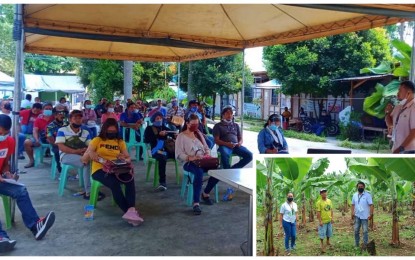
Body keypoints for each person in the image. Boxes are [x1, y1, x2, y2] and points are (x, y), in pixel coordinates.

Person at [0, 114, 55, 253]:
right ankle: (1, 238)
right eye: (1, 133)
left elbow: (5, 163)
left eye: (6, 133)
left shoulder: (10, 141)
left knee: (21, 191)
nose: (3, 135)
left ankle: (35, 226)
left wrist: (7, 174)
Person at [83, 118, 144, 226]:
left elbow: (128, 158)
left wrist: (123, 158)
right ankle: (129, 212)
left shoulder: (120, 142)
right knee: (114, 183)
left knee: (129, 179)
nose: (111, 134)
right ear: (104, 130)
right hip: (99, 169)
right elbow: (84, 160)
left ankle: (131, 210)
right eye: (109, 132)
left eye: (113, 132)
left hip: (117, 167)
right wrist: (90, 153)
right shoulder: (97, 140)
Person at [55, 110, 102, 200]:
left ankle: (92, 187)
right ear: (70, 120)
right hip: (66, 156)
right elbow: (61, 147)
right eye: (75, 118)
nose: (77, 120)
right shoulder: (62, 130)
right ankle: (89, 192)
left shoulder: (85, 132)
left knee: (96, 160)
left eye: (79, 118)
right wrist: (77, 151)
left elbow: (91, 146)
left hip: (81, 154)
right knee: (87, 162)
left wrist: (86, 151)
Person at [175, 114, 216, 215]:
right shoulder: (181, 136)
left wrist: (207, 153)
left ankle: (205, 193)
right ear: (187, 124)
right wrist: (190, 157)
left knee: (218, 171)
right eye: (193, 124)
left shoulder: (198, 134)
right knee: (199, 173)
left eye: (197, 124)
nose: (195, 126)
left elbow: (207, 147)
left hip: (203, 160)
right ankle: (196, 203)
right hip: (190, 163)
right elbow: (179, 154)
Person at [144, 111, 176, 191]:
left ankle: (189, 179)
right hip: (155, 151)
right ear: (153, 120)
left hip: (167, 150)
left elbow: (171, 133)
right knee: (162, 157)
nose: (159, 120)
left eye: (160, 118)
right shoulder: (149, 128)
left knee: (180, 155)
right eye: (157, 118)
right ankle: (162, 182)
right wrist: (158, 135)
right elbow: (147, 140)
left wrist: (174, 135)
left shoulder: (164, 127)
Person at [385, 80, 415, 153]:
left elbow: (414, 131)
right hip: (396, 147)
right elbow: (390, 124)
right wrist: (387, 112)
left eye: (400, 90)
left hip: (409, 150)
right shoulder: (399, 106)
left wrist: (401, 148)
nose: (397, 93)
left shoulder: (413, 106)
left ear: (408, 92)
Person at [23, 103, 55, 168]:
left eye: (50, 109)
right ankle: (31, 160)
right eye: (46, 109)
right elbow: (35, 131)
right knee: (27, 142)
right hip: (41, 137)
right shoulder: (38, 119)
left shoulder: (55, 118)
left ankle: (57, 161)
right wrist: (37, 140)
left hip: (53, 138)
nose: (48, 110)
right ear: (42, 110)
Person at [351, 181, 374, 249]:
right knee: (356, 230)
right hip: (357, 215)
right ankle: (356, 244)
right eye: (359, 186)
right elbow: (352, 205)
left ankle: (365, 244)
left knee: (365, 231)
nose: (360, 187)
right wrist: (352, 213)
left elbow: (371, 205)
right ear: (357, 187)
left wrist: (371, 214)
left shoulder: (367, 195)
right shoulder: (354, 195)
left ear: (364, 187)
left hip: (365, 216)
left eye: (361, 186)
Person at [46, 105, 68, 174]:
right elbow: (49, 138)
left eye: (63, 113)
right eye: (60, 113)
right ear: (55, 115)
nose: (62, 115)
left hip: (68, 144)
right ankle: (60, 170)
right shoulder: (50, 126)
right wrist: (60, 145)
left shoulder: (68, 124)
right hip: (56, 145)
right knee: (57, 151)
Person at [279, 192, 298, 256]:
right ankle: (287, 248)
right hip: (286, 221)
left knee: (294, 235)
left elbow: (296, 213)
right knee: (288, 235)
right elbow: (281, 215)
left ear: (293, 197)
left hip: (293, 221)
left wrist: (297, 221)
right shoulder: (283, 205)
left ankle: (293, 245)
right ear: (287, 197)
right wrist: (281, 224)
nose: (290, 197)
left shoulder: (295, 204)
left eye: (291, 196)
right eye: (289, 196)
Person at [316, 189, 333, 253]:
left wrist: (332, 218)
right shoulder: (319, 202)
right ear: (320, 194)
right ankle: (321, 244)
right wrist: (320, 221)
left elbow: (331, 210)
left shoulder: (329, 201)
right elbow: (318, 212)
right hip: (323, 221)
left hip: (329, 220)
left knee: (329, 232)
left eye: (325, 192)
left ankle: (328, 241)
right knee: (322, 233)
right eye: (322, 193)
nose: (324, 194)